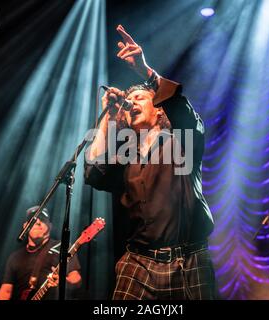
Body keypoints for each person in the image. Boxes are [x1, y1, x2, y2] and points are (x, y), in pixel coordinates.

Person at [84, 25, 215, 300]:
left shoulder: (182, 140)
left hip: (188, 261)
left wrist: (145, 72)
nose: (130, 103)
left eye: (139, 98)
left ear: (158, 109)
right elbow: (94, 172)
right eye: (128, 100)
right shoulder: (127, 155)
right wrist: (108, 114)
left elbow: (181, 107)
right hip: (138, 261)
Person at [0, 206, 82, 300]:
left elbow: (75, 278)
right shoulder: (15, 257)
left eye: (42, 219)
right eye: (33, 220)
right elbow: (6, 291)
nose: (38, 222)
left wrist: (63, 282)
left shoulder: (62, 247)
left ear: (50, 225)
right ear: (25, 226)